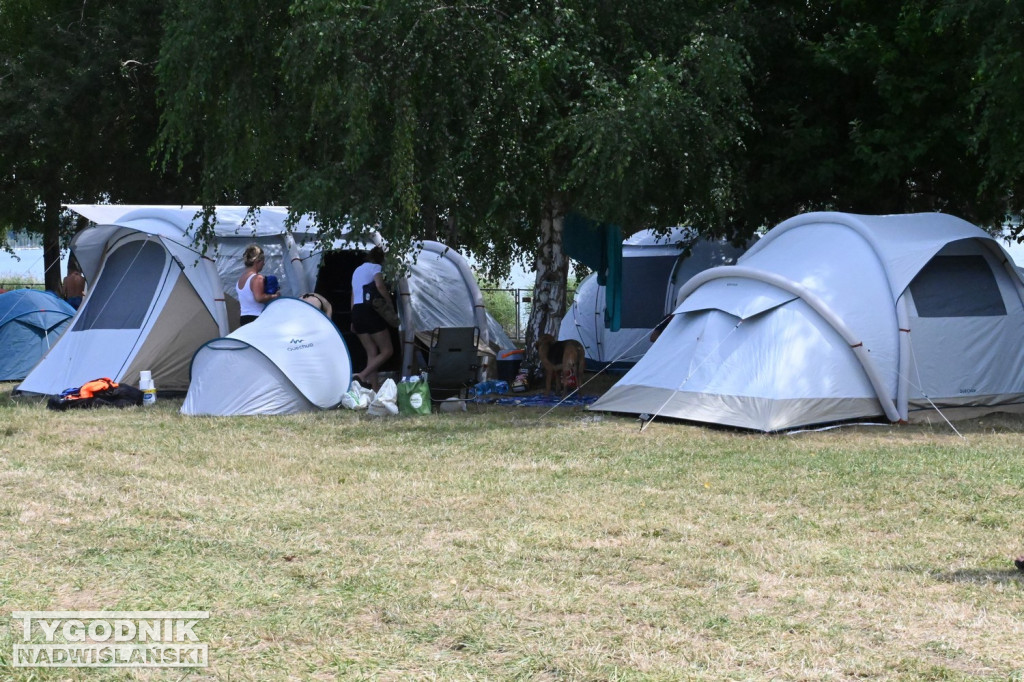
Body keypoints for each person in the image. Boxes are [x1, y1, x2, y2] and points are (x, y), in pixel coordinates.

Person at [350, 246, 394, 387]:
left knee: (372, 352)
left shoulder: (357, 270)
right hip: (369, 310)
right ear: (381, 259)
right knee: (387, 350)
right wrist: (389, 304)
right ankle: (362, 375)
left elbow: (353, 295)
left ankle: (374, 390)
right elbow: (380, 286)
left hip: (357, 311)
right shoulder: (376, 267)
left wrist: (353, 319)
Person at [237, 244, 279, 325]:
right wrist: (275, 296)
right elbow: (259, 298)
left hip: (244, 319)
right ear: (257, 261)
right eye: (263, 261)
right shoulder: (257, 278)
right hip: (256, 318)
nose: (264, 264)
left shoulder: (240, 279)